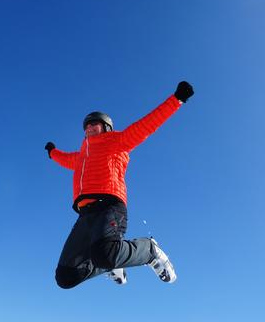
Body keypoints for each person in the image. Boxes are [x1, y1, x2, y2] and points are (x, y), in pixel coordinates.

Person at [45, 81, 194, 289]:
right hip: (85, 215)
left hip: (109, 205)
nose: (88, 128)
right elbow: (64, 159)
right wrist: (52, 153)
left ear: (105, 127)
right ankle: (112, 264)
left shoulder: (117, 141)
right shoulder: (81, 157)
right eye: (86, 126)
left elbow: (146, 126)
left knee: (106, 254)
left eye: (93, 124)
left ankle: (149, 250)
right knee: (66, 276)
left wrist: (176, 100)